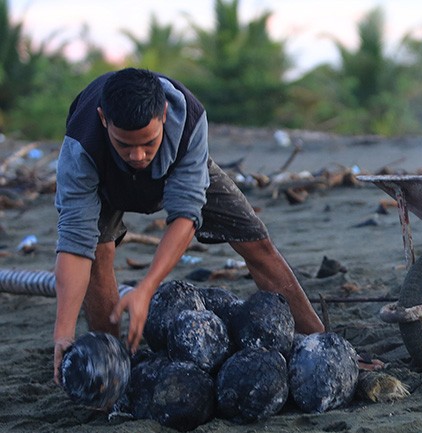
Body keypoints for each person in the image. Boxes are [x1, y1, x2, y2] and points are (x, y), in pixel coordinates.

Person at [52, 68, 325, 384]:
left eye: (148, 143)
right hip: (106, 181)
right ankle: (111, 371)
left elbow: (185, 217)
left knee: (256, 241)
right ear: (103, 120)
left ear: (164, 115)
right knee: (99, 255)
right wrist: (63, 332)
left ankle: (317, 341)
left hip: (181, 169)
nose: (138, 155)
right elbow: (74, 244)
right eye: (125, 145)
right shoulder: (80, 146)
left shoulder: (190, 119)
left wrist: (146, 288)